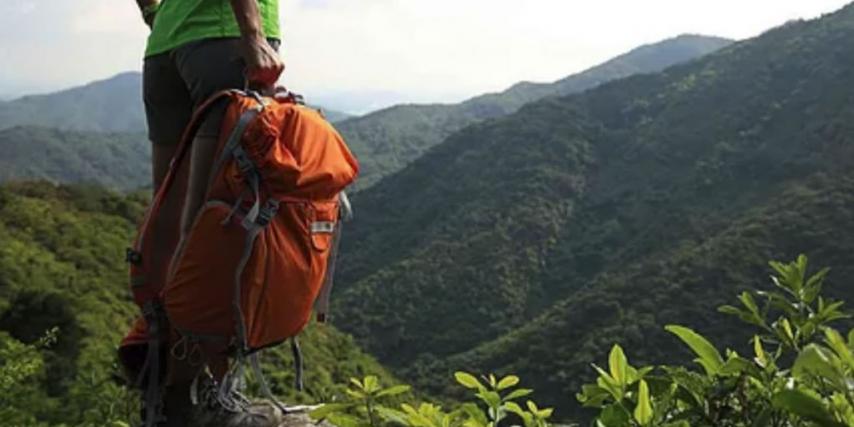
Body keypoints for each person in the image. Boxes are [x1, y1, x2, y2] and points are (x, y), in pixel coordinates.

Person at [131, 0, 285, 425]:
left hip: (165, 48)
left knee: (166, 223)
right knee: (215, 227)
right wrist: (252, 34)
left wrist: (155, 14)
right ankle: (198, 392)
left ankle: (160, 378)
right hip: (224, 43)